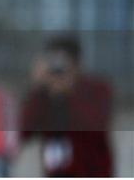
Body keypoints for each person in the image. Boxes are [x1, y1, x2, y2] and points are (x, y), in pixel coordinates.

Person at [20, 35, 113, 177]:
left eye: (63, 63)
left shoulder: (97, 89)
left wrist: (69, 92)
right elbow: (23, 132)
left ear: (77, 64)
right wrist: (38, 88)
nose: (58, 69)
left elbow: (95, 125)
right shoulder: (45, 94)